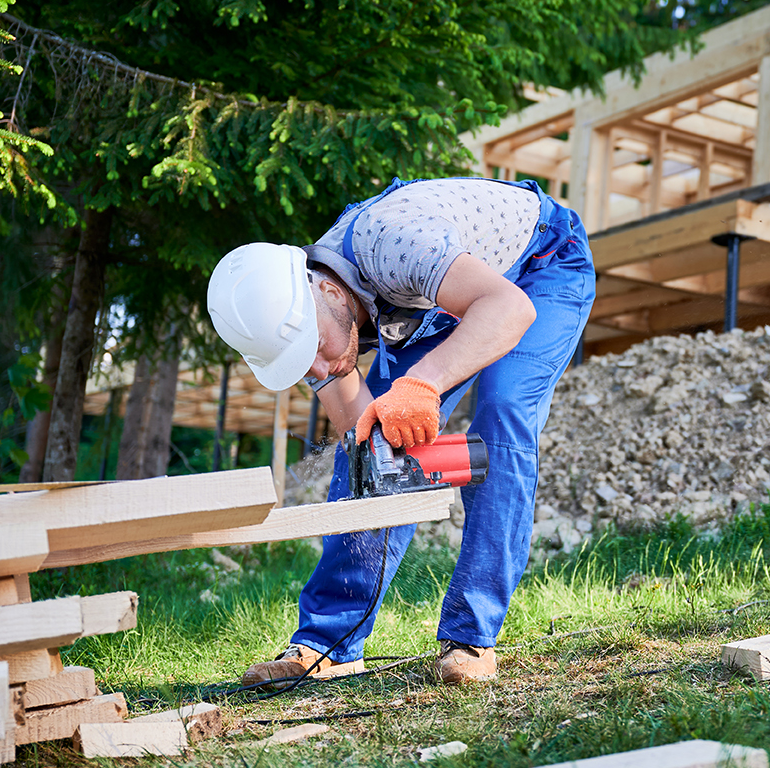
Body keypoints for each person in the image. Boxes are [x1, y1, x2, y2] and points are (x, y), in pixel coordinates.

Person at [206, 177, 593, 685]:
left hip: (541, 265)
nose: (320, 366)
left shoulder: (394, 242)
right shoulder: (311, 317)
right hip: (441, 292)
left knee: (501, 416)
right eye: (303, 361)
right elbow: (358, 432)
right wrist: (382, 452)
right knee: (369, 446)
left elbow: (507, 309)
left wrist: (424, 384)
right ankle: (328, 645)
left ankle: (471, 638)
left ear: (326, 289)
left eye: (316, 349)